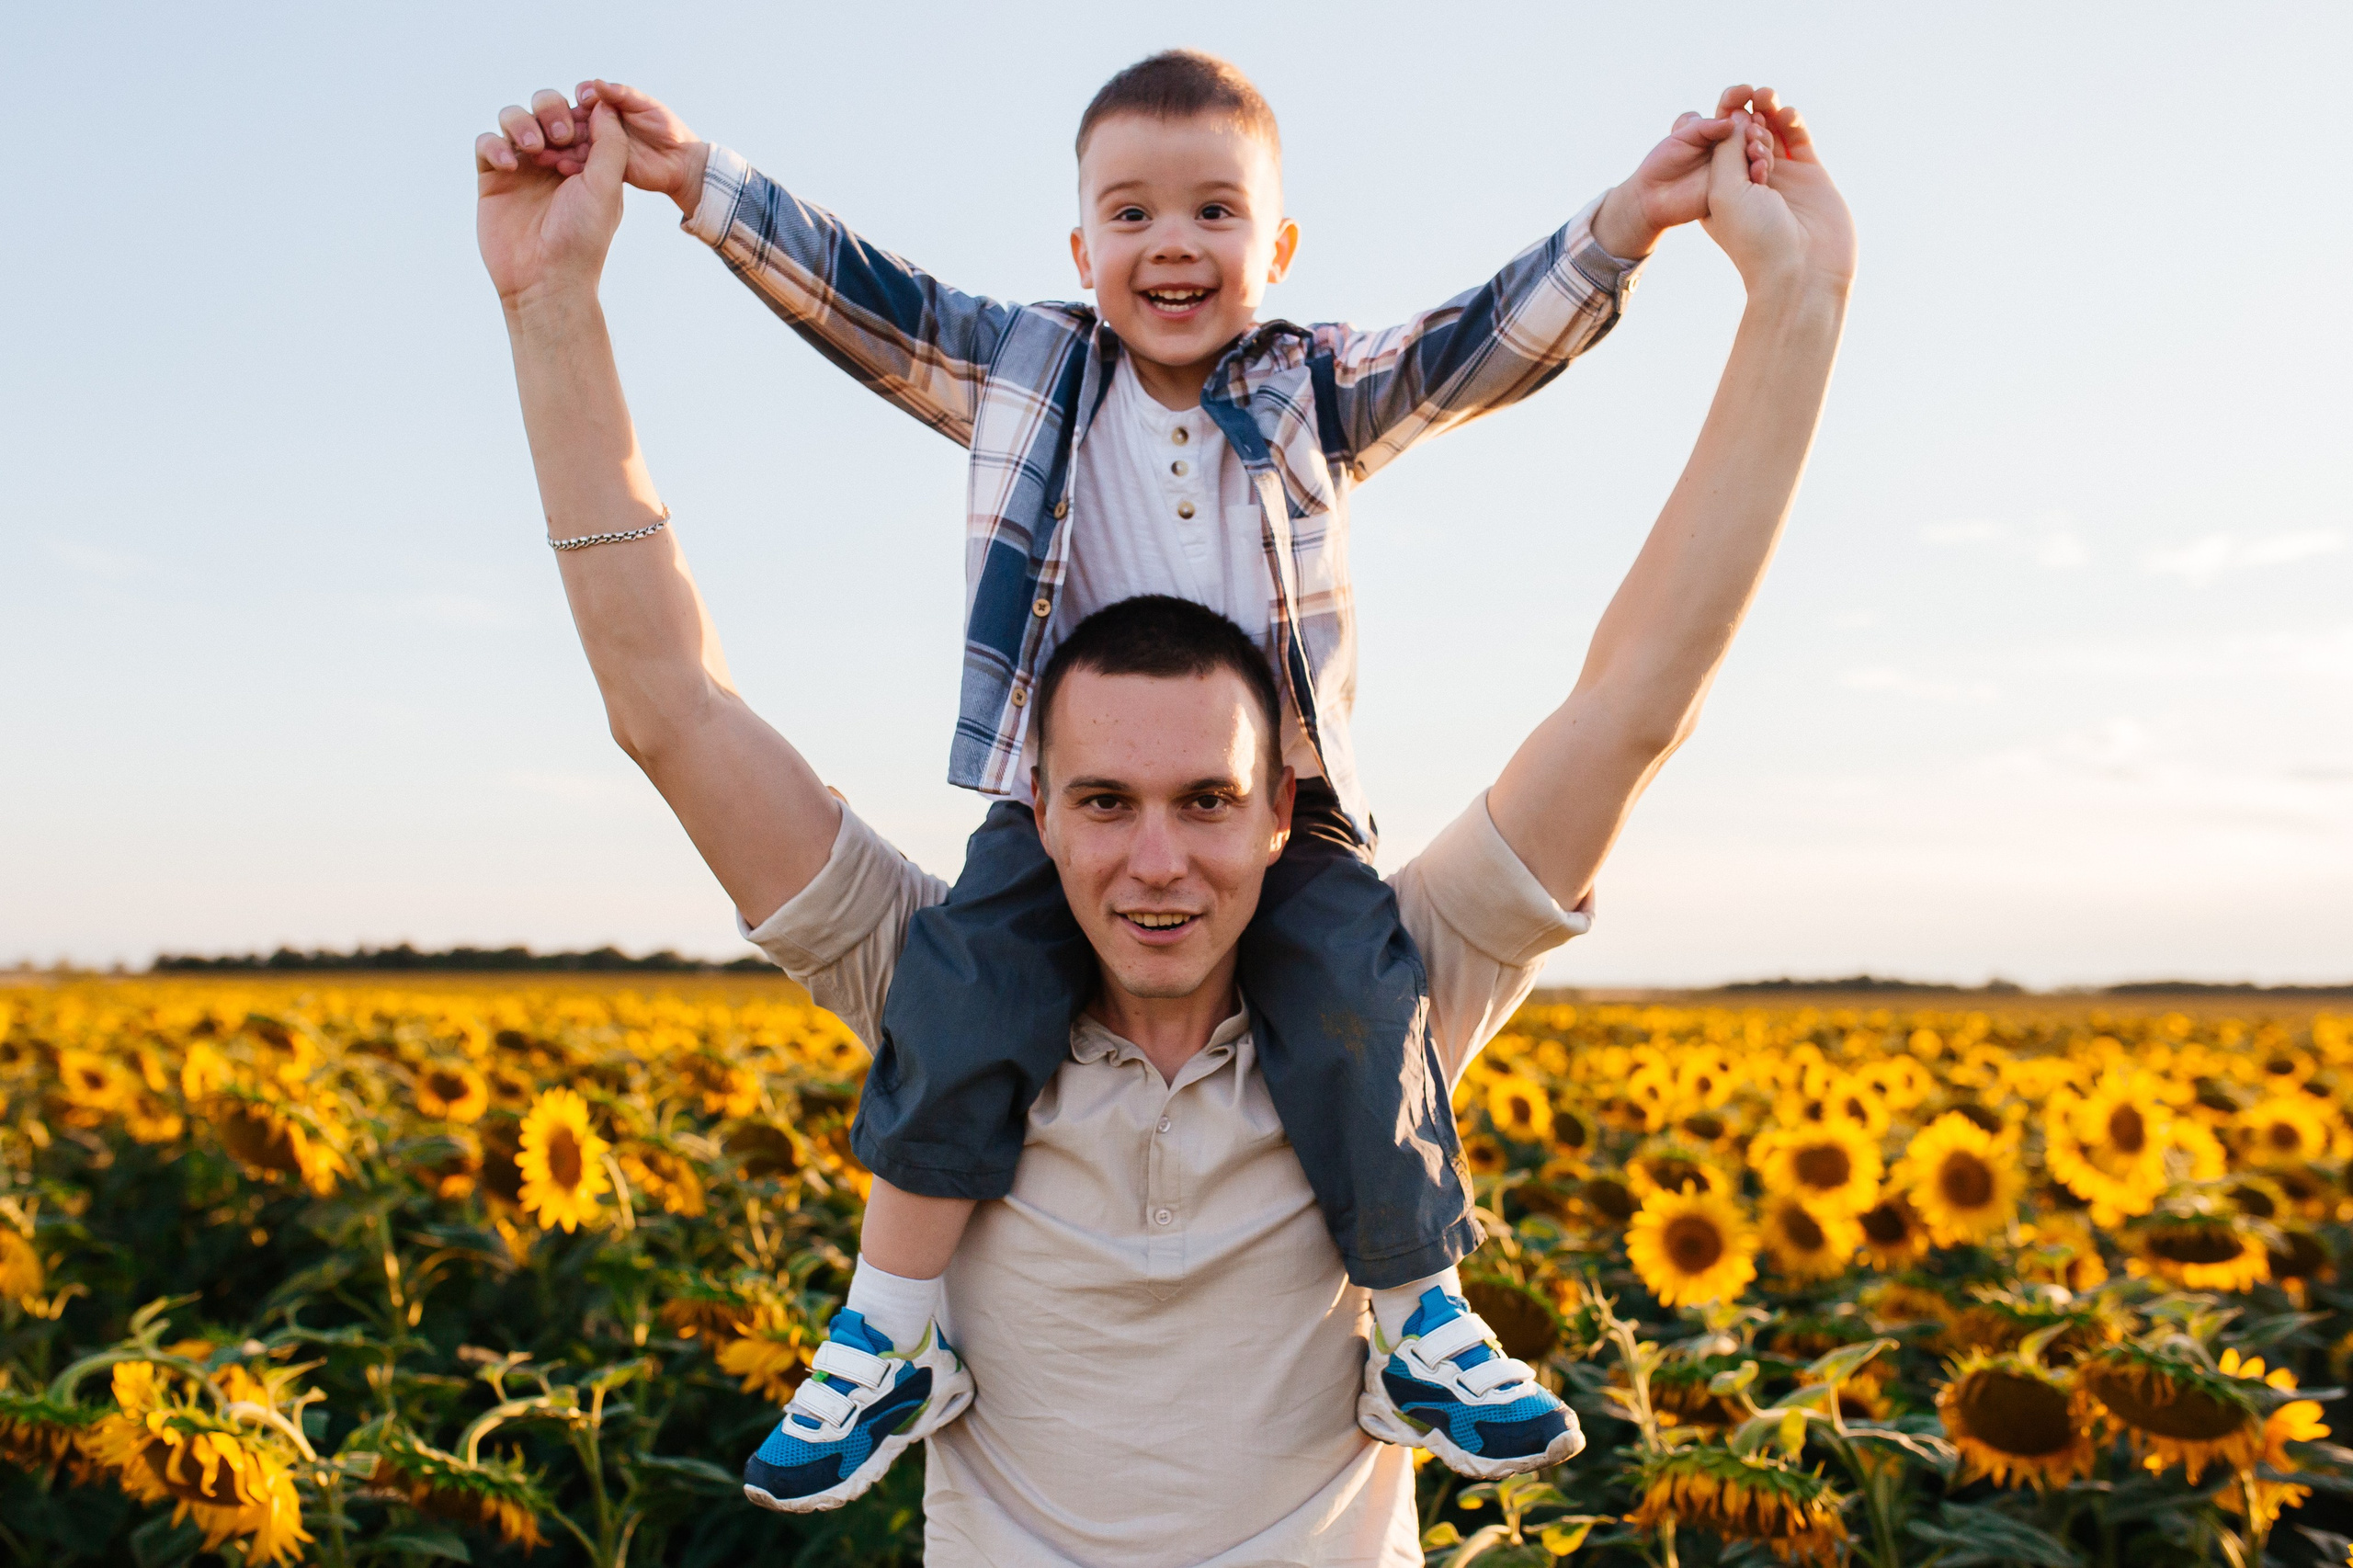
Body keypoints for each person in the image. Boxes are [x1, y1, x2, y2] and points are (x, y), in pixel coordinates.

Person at [477, 69, 1851, 1561]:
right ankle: (885, 1329)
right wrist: (570, 291)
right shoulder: (937, 977)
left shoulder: (1391, 986)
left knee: (1347, 997)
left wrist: (1778, 288)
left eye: (1207, 799)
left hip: (1331, 931)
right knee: (972, 991)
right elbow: (672, 694)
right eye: (1102, 799)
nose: (1154, 863)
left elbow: (1627, 669)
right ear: (1040, 801)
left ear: (1277, 806)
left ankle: (1424, 1317)